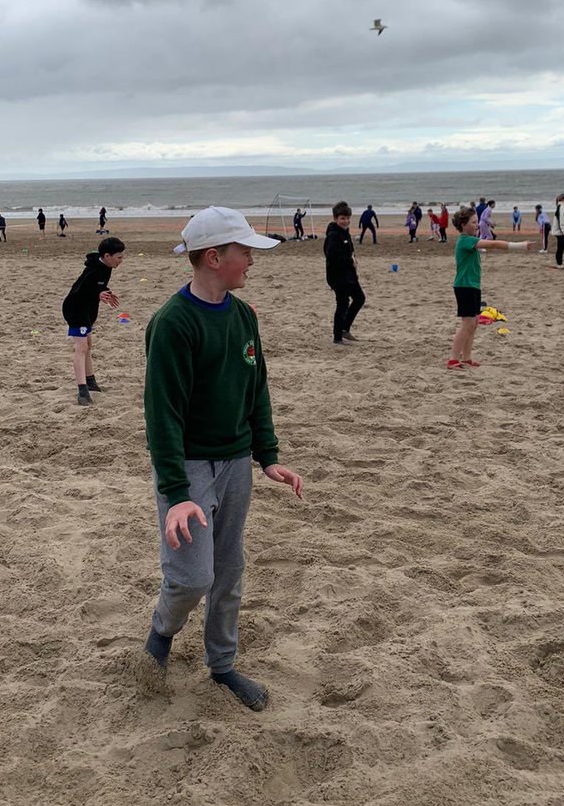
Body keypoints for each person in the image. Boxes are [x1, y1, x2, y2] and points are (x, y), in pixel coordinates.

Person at [142, 206, 303, 712]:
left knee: (229, 570)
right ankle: (160, 638)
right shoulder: (172, 324)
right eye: (244, 252)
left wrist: (267, 456)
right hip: (188, 466)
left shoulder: (243, 315)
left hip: (235, 463)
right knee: (192, 576)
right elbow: (162, 416)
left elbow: (257, 390)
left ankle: (223, 664)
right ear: (214, 258)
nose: (252, 262)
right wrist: (175, 494)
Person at [448, 206, 529, 369]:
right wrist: (518, 245)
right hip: (464, 287)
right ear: (463, 225)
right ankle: (453, 359)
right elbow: (493, 244)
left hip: (473, 287)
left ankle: (467, 358)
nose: (477, 225)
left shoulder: (470, 240)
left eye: (478, 221)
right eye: (474, 222)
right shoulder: (466, 240)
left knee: (475, 322)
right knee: (467, 324)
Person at [61, 235, 125, 406]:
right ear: (107, 256)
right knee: (81, 347)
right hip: (76, 311)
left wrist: (106, 292)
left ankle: (90, 382)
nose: (121, 261)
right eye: (119, 257)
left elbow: (97, 286)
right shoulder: (93, 269)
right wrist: (98, 294)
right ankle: (82, 391)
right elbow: (80, 292)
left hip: (88, 311)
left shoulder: (106, 267)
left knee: (88, 344)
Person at [324, 201, 366, 346]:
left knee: (359, 298)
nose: (346, 221)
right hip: (338, 277)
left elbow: (349, 251)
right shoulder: (333, 234)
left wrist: (353, 259)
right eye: (342, 218)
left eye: (348, 218)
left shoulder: (344, 232)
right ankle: (337, 337)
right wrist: (350, 261)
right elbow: (332, 257)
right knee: (342, 303)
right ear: (336, 218)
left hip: (349, 275)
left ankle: (344, 329)